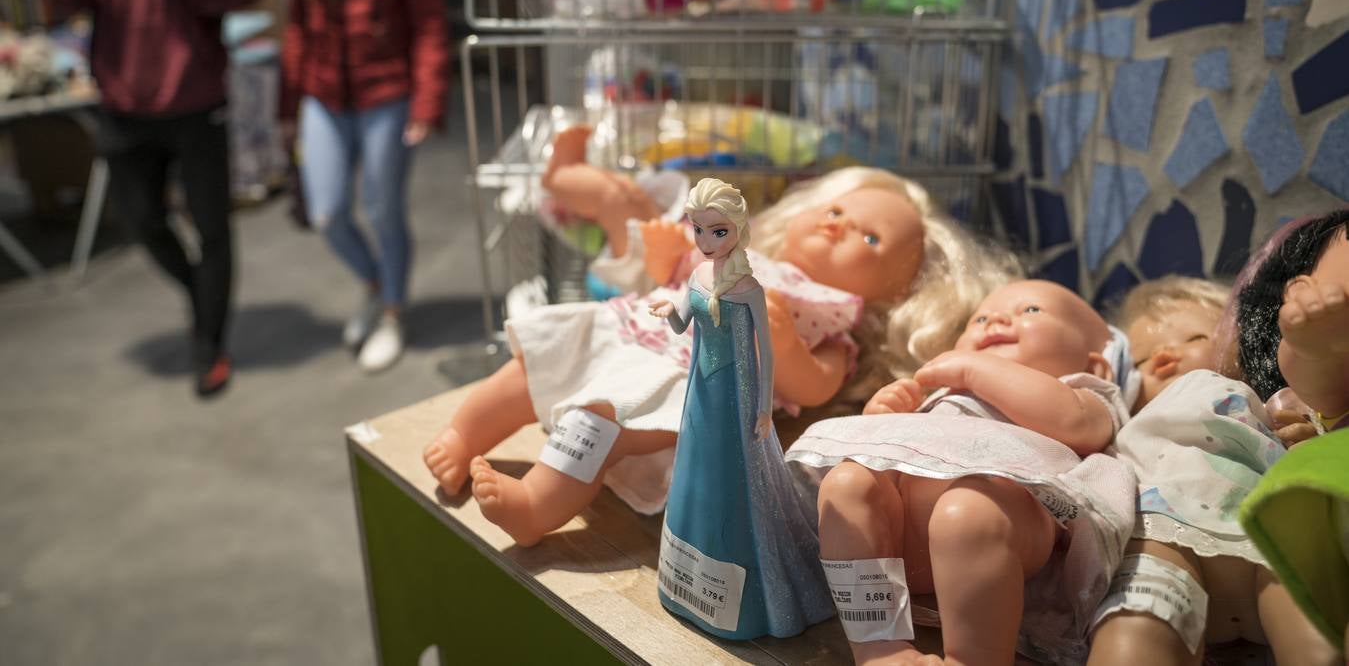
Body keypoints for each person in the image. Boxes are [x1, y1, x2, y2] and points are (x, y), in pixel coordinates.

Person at [424, 160, 1021, 546]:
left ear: (894, 290)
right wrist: (662, 258)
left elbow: (814, 388)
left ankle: (535, 506)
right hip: (628, 328)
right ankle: (464, 434)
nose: (840, 227)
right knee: (532, 362)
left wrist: (785, 344)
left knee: (599, 420)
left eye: (869, 237)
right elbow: (678, 282)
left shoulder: (831, 326)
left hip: (680, 378)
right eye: (837, 211)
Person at [34, 0, 262, 396]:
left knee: (214, 228)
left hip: (196, 98)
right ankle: (200, 296)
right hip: (122, 98)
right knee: (141, 224)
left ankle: (209, 343)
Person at [788, 280, 1137, 665]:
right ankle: (879, 645)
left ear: (1094, 363)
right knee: (848, 484)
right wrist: (883, 419)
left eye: (1031, 311)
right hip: (902, 536)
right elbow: (894, 449)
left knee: (967, 513)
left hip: (1004, 526)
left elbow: (1073, 422)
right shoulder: (944, 395)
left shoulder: (1081, 392)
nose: (997, 319)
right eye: (980, 318)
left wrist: (976, 369)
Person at [271, 0, 450, 372]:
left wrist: (426, 100)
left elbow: (427, 21)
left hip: (386, 94)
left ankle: (393, 311)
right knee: (326, 213)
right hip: (323, 95)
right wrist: (287, 106)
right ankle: (376, 284)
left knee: (384, 209)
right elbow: (297, 22)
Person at [1087, 277, 1338, 666]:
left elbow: (1321, 442)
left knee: (1310, 604)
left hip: (1264, 531)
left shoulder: (1263, 401)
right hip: (1161, 530)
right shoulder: (1117, 418)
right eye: (1140, 358)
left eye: (1194, 338)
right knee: (1136, 613)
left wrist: (1307, 433)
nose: (1166, 355)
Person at [646, 178, 834, 640]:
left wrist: (765, 408)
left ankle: (747, 598)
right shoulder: (696, 276)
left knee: (738, 480)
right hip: (701, 393)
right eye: (699, 231)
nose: (707, 242)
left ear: (738, 229)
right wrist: (665, 310)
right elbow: (680, 326)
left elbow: (765, 353)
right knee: (697, 470)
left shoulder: (748, 287)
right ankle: (686, 579)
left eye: (719, 232)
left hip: (740, 394)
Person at [1233, 211, 1349, 657]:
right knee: (1282, 568)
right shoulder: (1322, 365)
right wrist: (1311, 342)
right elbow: (1316, 379)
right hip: (1324, 495)